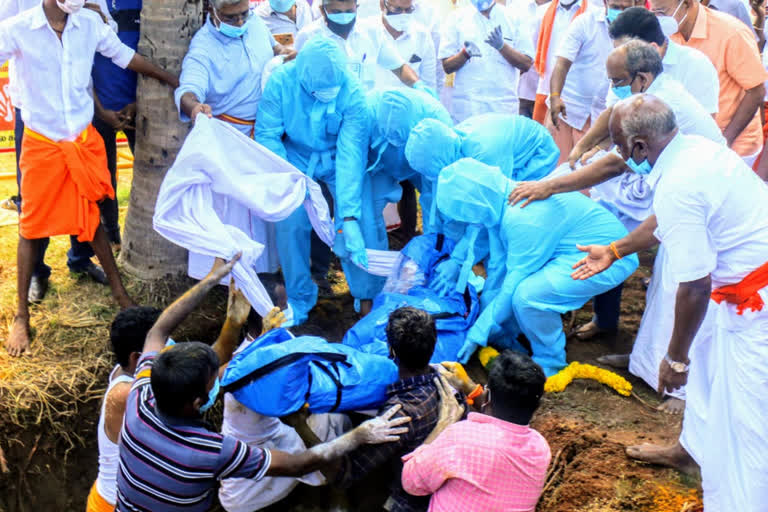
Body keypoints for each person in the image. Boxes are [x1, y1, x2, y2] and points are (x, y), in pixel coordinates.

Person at [572, 96, 768, 511]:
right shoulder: (693, 151)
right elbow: (664, 221)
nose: (620, 157)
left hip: (756, 305)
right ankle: (691, 450)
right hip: (738, 289)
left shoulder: (680, 180)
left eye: (621, 148)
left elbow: (694, 286)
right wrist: (616, 249)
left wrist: (674, 358)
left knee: (750, 422)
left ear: (641, 146)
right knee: (709, 372)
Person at [114, 256, 414, 511]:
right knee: (331, 423)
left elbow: (159, 329)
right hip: (243, 486)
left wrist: (212, 278)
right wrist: (361, 434)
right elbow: (296, 465)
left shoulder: (141, 397)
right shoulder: (209, 450)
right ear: (196, 402)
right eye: (211, 383)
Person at [0, 0, 178, 357]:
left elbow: (125, 57)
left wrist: (173, 80)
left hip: (81, 142)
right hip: (42, 144)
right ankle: (20, 315)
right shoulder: (18, 28)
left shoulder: (89, 25)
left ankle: (119, 293)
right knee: (31, 227)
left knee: (91, 217)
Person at [435, 159, 638, 374]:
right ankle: (525, 334)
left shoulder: (522, 217)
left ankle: (550, 360)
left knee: (528, 296)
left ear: (477, 204)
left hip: (610, 256)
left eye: (466, 212)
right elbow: (499, 270)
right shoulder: (506, 202)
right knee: (515, 294)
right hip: (587, 248)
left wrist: (479, 332)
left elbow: (512, 285)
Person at [292, 306, 467, 512]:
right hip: (451, 480)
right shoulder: (451, 382)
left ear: (391, 350)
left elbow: (344, 476)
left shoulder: (398, 414)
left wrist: (300, 426)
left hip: (414, 498)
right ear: (434, 342)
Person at [2, 0, 118, 308]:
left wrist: (93, 10)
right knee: (35, 200)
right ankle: (38, 274)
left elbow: (110, 33)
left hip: (76, 105)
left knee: (86, 192)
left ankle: (80, 259)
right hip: (35, 111)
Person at [174, 0, 296, 283]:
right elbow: (188, 88)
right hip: (231, 141)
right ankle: (234, 282)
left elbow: (271, 48)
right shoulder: (203, 47)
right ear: (212, 12)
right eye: (231, 18)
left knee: (263, 212)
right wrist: (194, 107)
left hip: (265, 134)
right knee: (235, 218)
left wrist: (283, 54)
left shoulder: (254, 24)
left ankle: (265, 274)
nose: (241, 22)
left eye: (244, 14)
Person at [254, 37, 373, 325]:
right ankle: (299, 296)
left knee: (361, 219)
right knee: (291, 220)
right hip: (294, 159)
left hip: (335, 160)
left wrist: (349, 215)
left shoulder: (353, 93)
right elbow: (268, 134)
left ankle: (365, 292)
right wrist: (292, 179)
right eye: (319, 89)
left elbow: (350, 156)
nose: (328, 92)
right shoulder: (281, 82)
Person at [218, 307, 352, 512]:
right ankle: (332, 490)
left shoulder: (238, 366)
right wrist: (300, 424)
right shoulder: (245, 370)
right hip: (258, 464)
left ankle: (315, 494)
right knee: (334, 419)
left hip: (261, 465)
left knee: (326, 420)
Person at [402, 351, 551, 512]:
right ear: (537, 406)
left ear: (488, 396)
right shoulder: (541, 449)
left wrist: (441, 427)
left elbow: (411, 483)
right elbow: (506, 420)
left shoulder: (461, 437)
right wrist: (471, 388)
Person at [651, 0, 768, 165]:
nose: (658, 19)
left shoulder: (731, 33)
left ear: (687, 4)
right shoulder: (666, 35)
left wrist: (724, 143)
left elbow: (756, 91)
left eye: (662, 12)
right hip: (691, 145)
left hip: (735, 146)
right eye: (654, 12)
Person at [86, 306, 161, 512]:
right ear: (136, 358)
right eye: (162, 346)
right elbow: (201, 382)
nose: (169, 351)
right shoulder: (127, 394)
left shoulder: (124, 370)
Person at [547, 0, 634, 164]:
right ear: (605, 2)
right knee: (553, 169)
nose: (621, 12)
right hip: (567, 111)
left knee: (585, 177)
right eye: (616, 7)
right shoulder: (585, 23)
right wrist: (555, 96)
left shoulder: (639, 31)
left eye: (626, 8)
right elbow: (562, 63)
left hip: (601, 119)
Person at [91, 0, 142, 252]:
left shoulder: (147, 4)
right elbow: (76, 66)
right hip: (97, 109)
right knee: (103, 178)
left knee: (148, 171)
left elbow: (155, 52)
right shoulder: (81, 5)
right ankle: (112, 238)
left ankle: (147, 236)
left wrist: (138, 100)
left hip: (140, 107)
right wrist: (100, 109)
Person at [603, 7, 719, 117]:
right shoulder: (625, 65)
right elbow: (611, 115)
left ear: (652, 48)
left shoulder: (696, 65)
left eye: (626, 53)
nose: (621, 58)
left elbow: (705, 120)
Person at [295, 0, 429, 94]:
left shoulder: (371, 32)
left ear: (356, 7)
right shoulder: (308, 36)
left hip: (363, 112)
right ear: (322, 11)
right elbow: (297, 81)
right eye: (336, 12)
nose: (344, 17)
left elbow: (399, 68)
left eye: (349, 11)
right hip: (324, 114)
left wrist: (418, 85)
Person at [438, 0, 534, 123]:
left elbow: (526, 64)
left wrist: (502, 47)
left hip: (503, 107)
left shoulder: (514, 17)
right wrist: (465, 54)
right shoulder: (456, 18)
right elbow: (447, 66)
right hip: (469, 107)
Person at [530, 0, 598, 125]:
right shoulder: (542, 12)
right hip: (545, 86)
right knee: (541, 139)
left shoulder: (592, 13)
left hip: (575, 95)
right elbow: (533, 51)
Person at [375, 0, 437, 91]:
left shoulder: (422, 36)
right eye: (397, 9)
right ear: (382, 5)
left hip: (410, 103)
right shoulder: (369, 33)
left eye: (408, 10)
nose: (403, 15)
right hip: (374, 103)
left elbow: (429, 82)